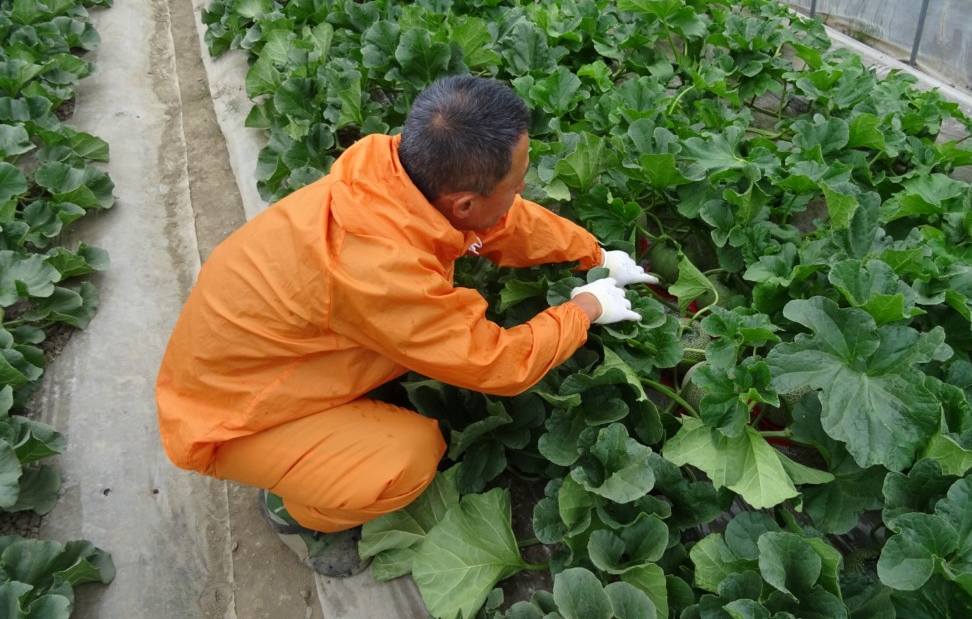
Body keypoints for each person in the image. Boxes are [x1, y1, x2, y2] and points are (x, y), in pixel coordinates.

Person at [155, 75, 657, 577]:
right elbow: (498, 363)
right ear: (461, 202)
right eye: (518, 183)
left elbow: (499, 220)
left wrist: (592, 255)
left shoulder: (395, 171)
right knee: (407, 458)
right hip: (231, 415)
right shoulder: (380, 267)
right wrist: (584, 309)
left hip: (267, 356)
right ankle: (300, 510)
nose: (521, 190)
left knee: (416, 344)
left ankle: (330, 431)